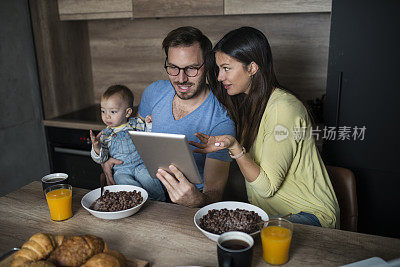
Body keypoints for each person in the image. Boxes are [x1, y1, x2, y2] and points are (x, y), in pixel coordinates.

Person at [190, 27, 340, 228]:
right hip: (271, 215)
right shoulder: (248, 106)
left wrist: (235, 148)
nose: (219, 77)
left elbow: (266, 187)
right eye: (218, 69)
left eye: (226, 68)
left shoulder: (283, 109)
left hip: (310, 215)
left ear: (252, 68)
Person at [101, 27, 236, 208]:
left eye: (192, 68)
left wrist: (195, 200)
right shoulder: (154, 92)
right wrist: (108, 158)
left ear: (207, 65)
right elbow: (130, 133)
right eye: (173, 67)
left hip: (187, 209)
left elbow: (214, 195)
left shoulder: (221, 120)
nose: (181, 79)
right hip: (143, 195)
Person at [90, 85, 165, 201]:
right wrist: (97, 148)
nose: (107, 116)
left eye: (113, 112)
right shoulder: (105, 134)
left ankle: (160, 202)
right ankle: (140, 201)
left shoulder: (136, 124)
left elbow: (148, 137)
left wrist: (149, 124)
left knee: (149, 179)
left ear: (127, 112)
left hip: (140, 164)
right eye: (103, 111)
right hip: (121, 169)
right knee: (124, 183)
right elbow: (102, 158)